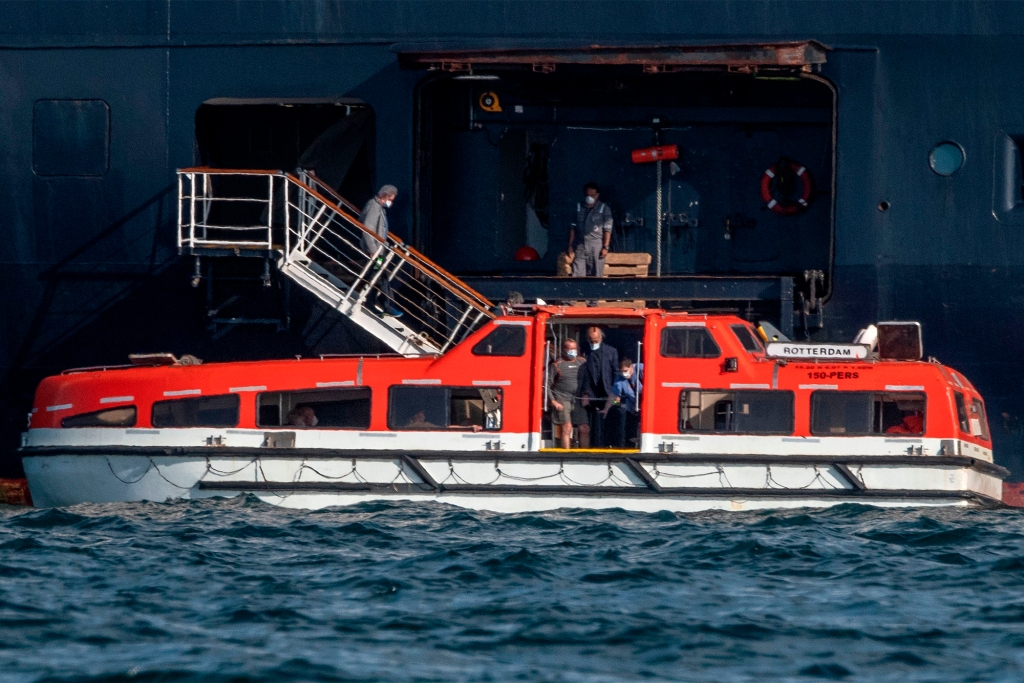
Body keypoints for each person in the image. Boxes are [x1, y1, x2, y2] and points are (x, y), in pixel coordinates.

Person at [359, 184, 402, 317]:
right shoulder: (374, 207)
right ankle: (386, 306)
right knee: (380, 277)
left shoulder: (379, 208)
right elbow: (368, 228)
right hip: (376, 252)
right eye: (391, 199)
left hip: (379, 251)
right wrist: (373, 249)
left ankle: (372, 304)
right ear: (384, 196)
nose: (391, 202)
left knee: (377, 276)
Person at [577, 326, 619, 447]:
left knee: (608, 420)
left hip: (607, 393)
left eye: (596, 341)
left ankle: (608, 445)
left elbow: (616, 373)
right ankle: (594, 446)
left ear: (601, 338)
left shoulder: (611, 351)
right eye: (591, 341)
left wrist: (616, 393)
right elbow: (584, 373)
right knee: (591, 423)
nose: (594, 343)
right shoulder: (584, 351)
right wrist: (585, 393)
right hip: (591, 393)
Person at [548, 339, 589, 449]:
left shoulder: (583, 362)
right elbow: (546, 384)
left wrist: (587, 394)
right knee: (567, 427)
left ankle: (585, 455)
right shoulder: (556, 365)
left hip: (579, 399)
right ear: (564, 350)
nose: (572, 351)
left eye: (574, 349)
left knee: (584, 427)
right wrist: (553, 401)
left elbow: (588, 380)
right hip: (562, 398)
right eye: (569, 349)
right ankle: (566, 454)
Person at [567, 182, 613, 277]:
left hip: (596, 247)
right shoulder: (578, 207)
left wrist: (605, 247)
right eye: (587, 195)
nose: (589, 198)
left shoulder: (604, 208)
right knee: (577, 274)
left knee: (596, 275)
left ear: (597, 195)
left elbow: (607, 230)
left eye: (592, 195)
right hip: (580, 245)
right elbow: (573, 228)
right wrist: (570, 246)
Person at [602, 358, 643, 448]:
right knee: (631, 427)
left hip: (646, 403)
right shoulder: (619, 378)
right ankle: (630, 445)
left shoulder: (641, 369)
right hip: (632, 406)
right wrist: (606, 409)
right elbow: (613, 395)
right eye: (622, 371)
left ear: (631, 367)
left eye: (626, 371)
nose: (624, 374)